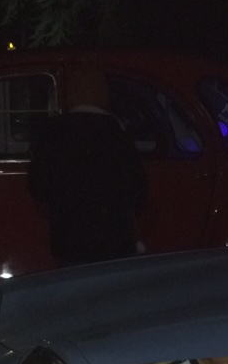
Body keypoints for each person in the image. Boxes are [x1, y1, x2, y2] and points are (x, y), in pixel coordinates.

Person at [27, 69, 149, 265]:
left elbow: (38, 185)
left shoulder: (53, 133)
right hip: (112, 235)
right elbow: (136, 188)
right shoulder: (116, 133)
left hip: (68, 236)